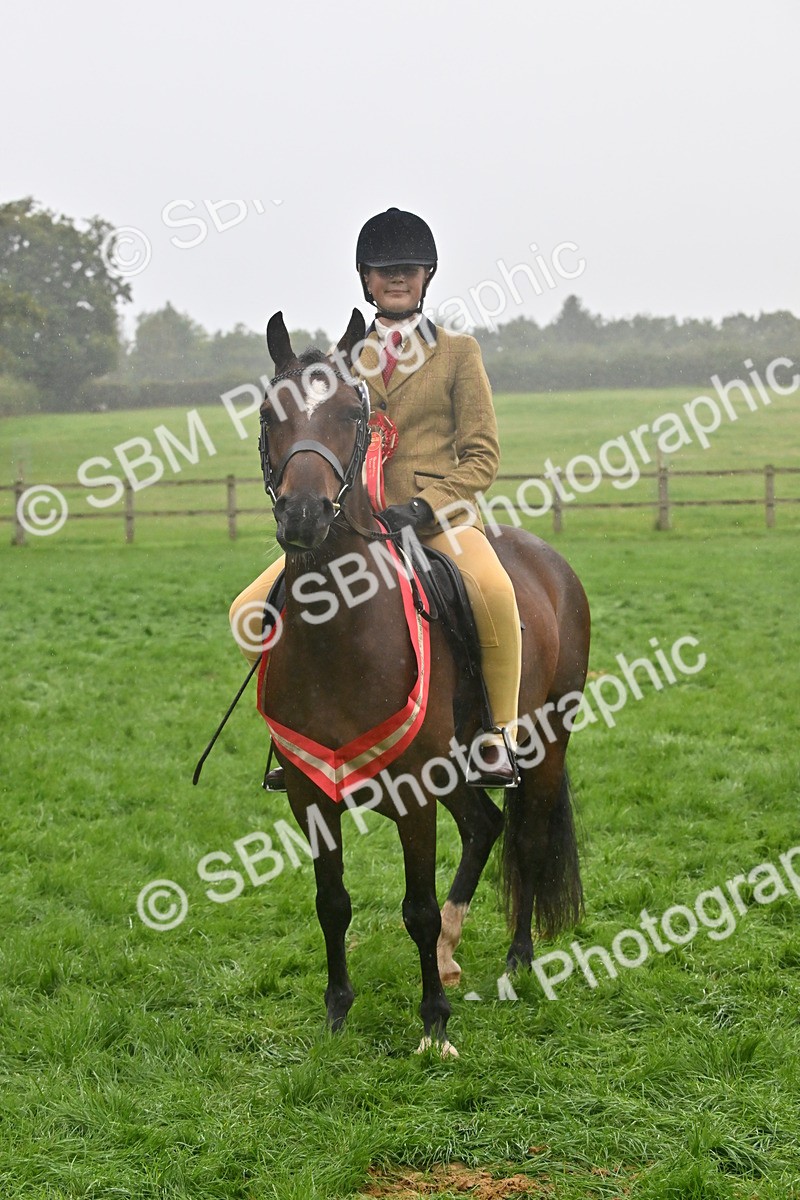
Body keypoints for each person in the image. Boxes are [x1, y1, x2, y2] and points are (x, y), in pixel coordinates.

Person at [230, 207, 522, 787]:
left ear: (427, 277)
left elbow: (483, 454)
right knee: (248, 614)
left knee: (494, 593)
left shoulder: (459, 353)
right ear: (365, 278)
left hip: (436, 519)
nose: (397, 279)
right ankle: (301, 739)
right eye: (385, 270)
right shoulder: (345, 362)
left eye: (409, 269)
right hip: (352, 523)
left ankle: (498, 736)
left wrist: (423, 506)